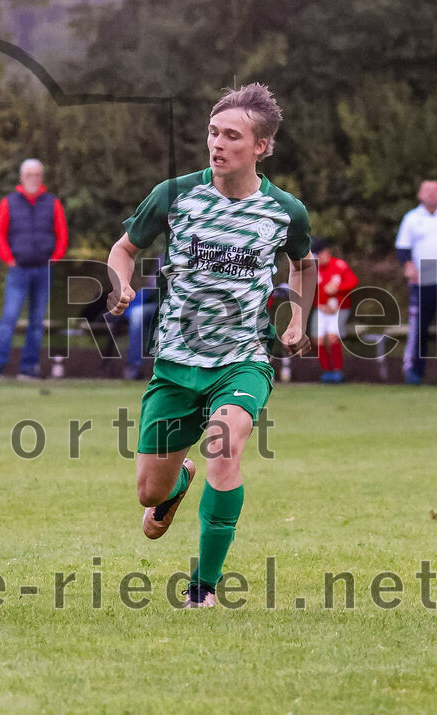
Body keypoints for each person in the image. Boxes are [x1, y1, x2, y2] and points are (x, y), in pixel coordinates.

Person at [107, 83, 315, 608]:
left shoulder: (284, 211)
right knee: (148, 496)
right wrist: (120, 282)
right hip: (176, 364)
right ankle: (176, 485)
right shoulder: (174, 194)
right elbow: (125, 248)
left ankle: (203, 589)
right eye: (213, 133)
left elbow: (304, 265)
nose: (217, 144)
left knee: (226, 448)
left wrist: (296, 320)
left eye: (232, 136)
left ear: (261, 146)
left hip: (242, 361)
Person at [0, 159, 68, 380]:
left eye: (37, 175)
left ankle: (28, 367)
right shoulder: (9, 202)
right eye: (29, 175)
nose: (33, 179)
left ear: (41, 177)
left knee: (36, 322)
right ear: (22, 177)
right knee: (9, 317)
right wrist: (9, 259)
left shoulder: (52, 203)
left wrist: (55, 258)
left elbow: (61, 235)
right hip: (19, 270)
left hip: (43, 270)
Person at [395, 180, 437, 385]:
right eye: (428, 191)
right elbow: (403, 249)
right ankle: (414, 371)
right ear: (420, 194)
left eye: (435, 191)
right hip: (425, 273)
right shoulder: (412, 218)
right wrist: (409, 265)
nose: (432, 195)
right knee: (419, 327)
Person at [311, 238, 358, 383]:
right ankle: (326, 371)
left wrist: (338, 288)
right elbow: (310, 292)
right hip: (322, 309)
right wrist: (320, 305)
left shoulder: (339, 265)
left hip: (339, 309)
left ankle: (338, 371)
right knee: (318, 340)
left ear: (326, 252)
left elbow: (353, 281)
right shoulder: (314, 269)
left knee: (332, 338)